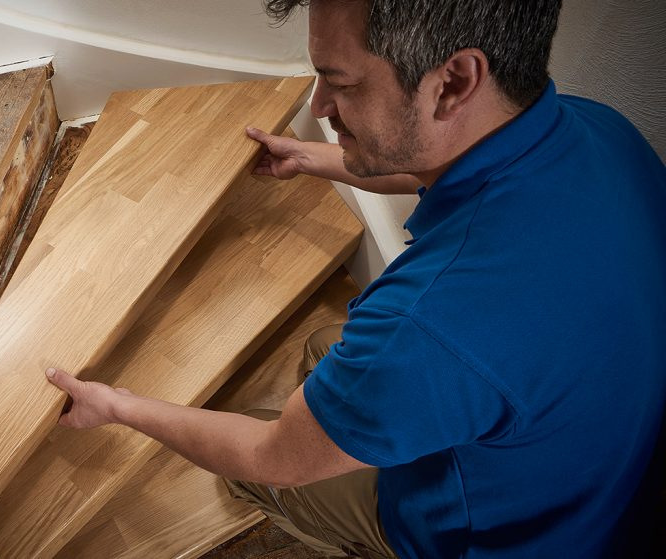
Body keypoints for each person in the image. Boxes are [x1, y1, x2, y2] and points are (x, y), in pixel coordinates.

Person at [44, 0, 666, 556]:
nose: (318, 106)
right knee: (329, 350)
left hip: (509, 535)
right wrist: (315, 157)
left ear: (453, 82)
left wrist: (117, 405)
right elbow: (445, 160)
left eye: (340, 83)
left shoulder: (424, 328)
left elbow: (271, 456)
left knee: (249, 454)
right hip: (605, 474)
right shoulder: (599, 132)